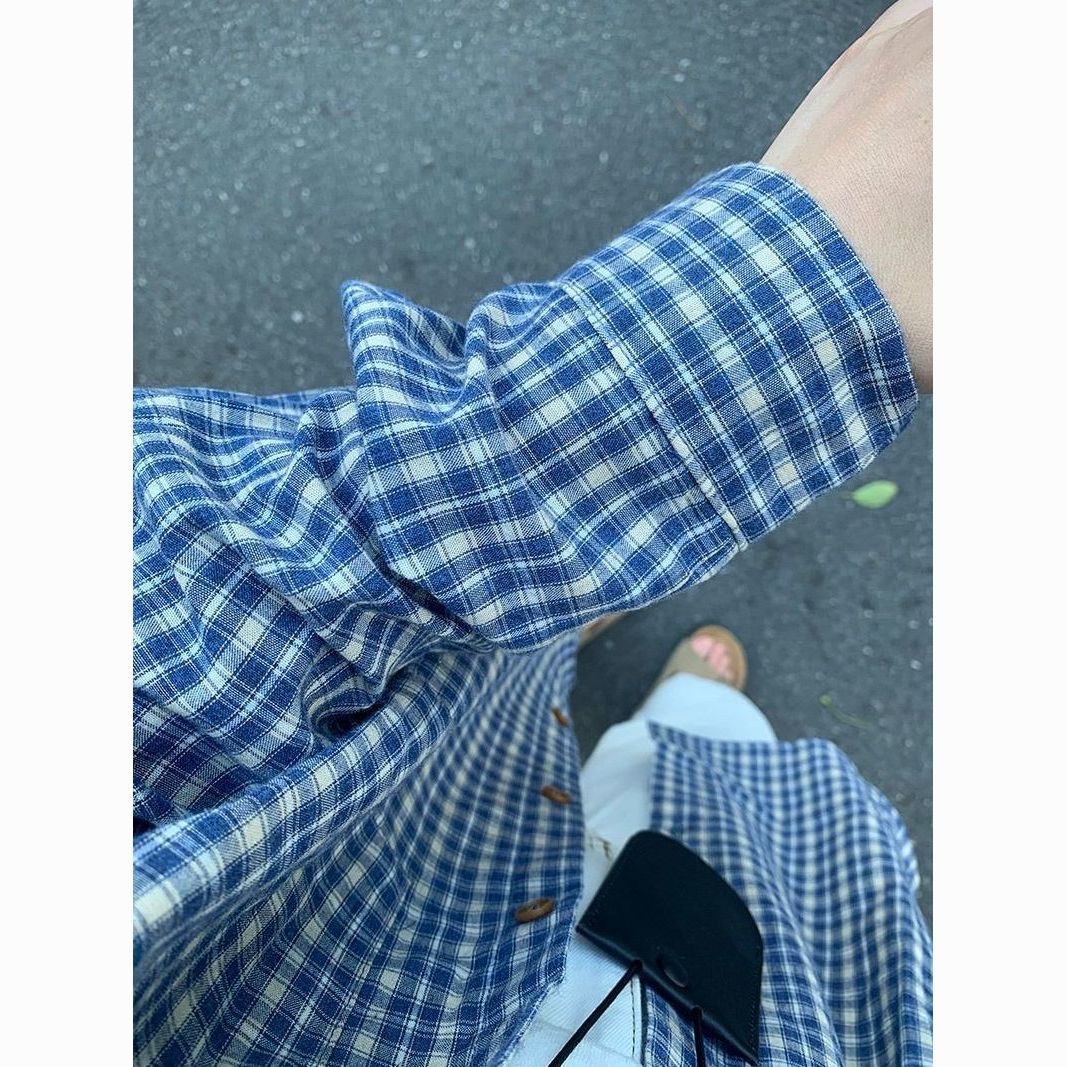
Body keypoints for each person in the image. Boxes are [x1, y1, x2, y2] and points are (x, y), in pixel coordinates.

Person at [132, 1, 933, 1064]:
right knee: (713, 805)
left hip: (379, 855)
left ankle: (538, 640)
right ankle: (677, 714)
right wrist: (789, 291)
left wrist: (792, 281)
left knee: (464, 676)